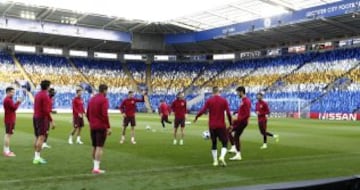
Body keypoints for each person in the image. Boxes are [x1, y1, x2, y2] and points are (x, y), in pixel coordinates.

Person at [194, 87, 232, 166]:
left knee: (214, 143)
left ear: (212, 92)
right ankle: (221, 156)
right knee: (225, 142)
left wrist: (197, 117)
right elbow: (228, 113)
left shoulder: (209, 100)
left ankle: (215, 161)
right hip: (221, 125)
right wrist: (231, 123)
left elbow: (203, 110)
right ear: (219, 91)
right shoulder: (224, 100)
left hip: (212, 125)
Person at [86, 84, 111, 174]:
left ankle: (95, 165)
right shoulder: (104, 100)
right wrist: (108, 127)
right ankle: (96, 168)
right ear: (104, 90)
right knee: (99, 147)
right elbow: (105, 114)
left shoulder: (91, 99)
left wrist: (91, 122)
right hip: (101, 126)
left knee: (94, 146)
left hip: (93, 126)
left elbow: (87, 113)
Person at [228, 86, 251, 161]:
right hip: (239, 121)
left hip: (241, 122)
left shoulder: (246, 101)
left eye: (237, 92)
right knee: (230, 133)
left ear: (241, 92)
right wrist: (236, 112)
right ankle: (235, 150)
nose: (237, 94)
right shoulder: (243, 100)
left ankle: (237, 152)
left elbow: (247, 114)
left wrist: (237, 119)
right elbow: (242, 110)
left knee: (234, 135)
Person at [33, 80, 52, 164]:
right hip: (42, 118)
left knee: (38, 137)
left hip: (36, 117)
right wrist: (52, 120)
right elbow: (46, 110)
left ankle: (36, 156)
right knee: (41, 137)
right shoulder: (45, 95)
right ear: (48, 86)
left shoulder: (38, 94)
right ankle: (37, 158)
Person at [3, 87, 22, 157]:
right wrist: (18, 102)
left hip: (9, 119)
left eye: (14, 92)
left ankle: (6, 150)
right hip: (9, 120)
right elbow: (14, 108)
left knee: (8, 135)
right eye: (12, 92)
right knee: (8, 135)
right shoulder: (8, 100)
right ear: (8, 92)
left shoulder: (8, 99)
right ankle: (6, 151)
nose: (13, 94)